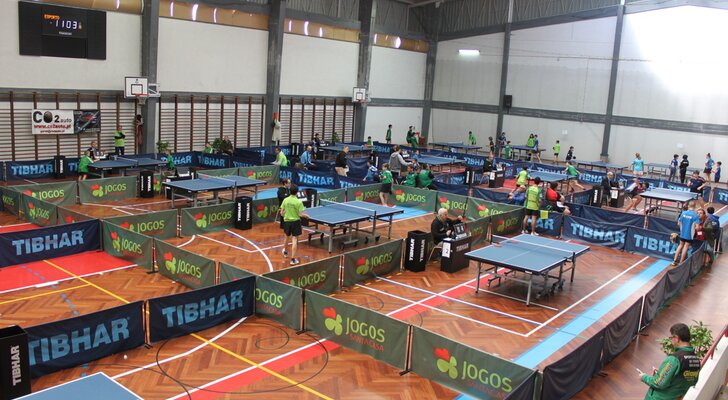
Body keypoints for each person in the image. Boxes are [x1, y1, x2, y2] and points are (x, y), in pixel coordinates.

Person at [639, 323, 700, 400]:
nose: (671, 341)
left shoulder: (674, 359)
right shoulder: (696, 360)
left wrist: (643, 377)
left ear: (677, 338)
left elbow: (659, 383)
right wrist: (662, 373)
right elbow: (688, 381)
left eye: (671, 338)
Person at [279, 184, 309, 266]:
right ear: (297, 192)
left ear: (290, 191)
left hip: (287, 222)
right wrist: (306, 216)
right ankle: (293, 259)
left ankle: (285, 252)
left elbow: (281, 213)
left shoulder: (285, 200)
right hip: (295, 222)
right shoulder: (298, 202)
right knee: (294, 239)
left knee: (286, 237)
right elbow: (300, 214)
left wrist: (286, 214)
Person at [673, 201, 699, 265]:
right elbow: (697, 227)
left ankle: (674, 260)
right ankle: (681, 262)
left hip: (683, 233)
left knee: (680, 245)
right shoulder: (695, 215)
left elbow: (678, 223)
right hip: (689, 234)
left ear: (688, 206)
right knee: (686, 246)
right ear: (695, 207)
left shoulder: (683, 213)